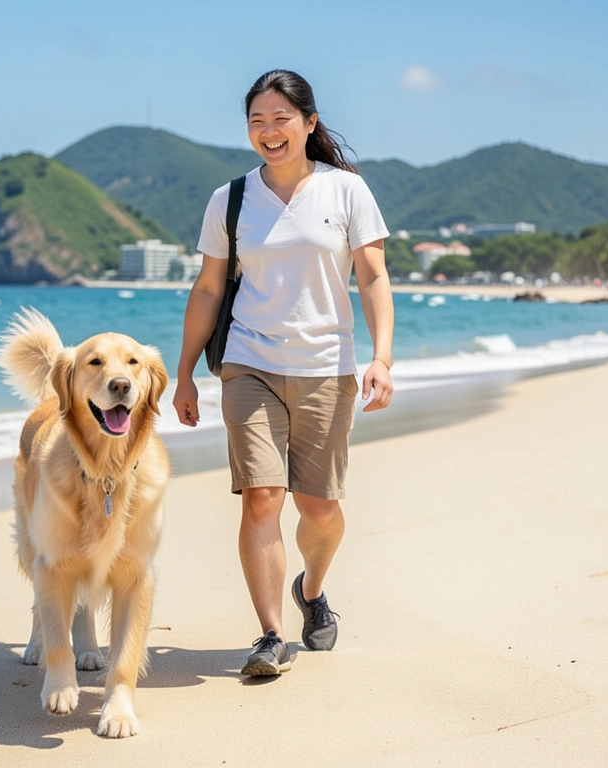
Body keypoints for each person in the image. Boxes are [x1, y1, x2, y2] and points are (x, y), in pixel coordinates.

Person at [171, 70, 394, 677]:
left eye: (281, 119)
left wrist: (382, 357)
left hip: (327, 366)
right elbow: (210, 287)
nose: (269, 131)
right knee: (262, 498)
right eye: (257, 121)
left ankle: (312, 590)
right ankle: (269, 635)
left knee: (319, 509)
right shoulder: (231, 199)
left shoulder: (346, 191)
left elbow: (372, 276)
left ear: (309, 123)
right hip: (250, 363)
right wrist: (185, 372)